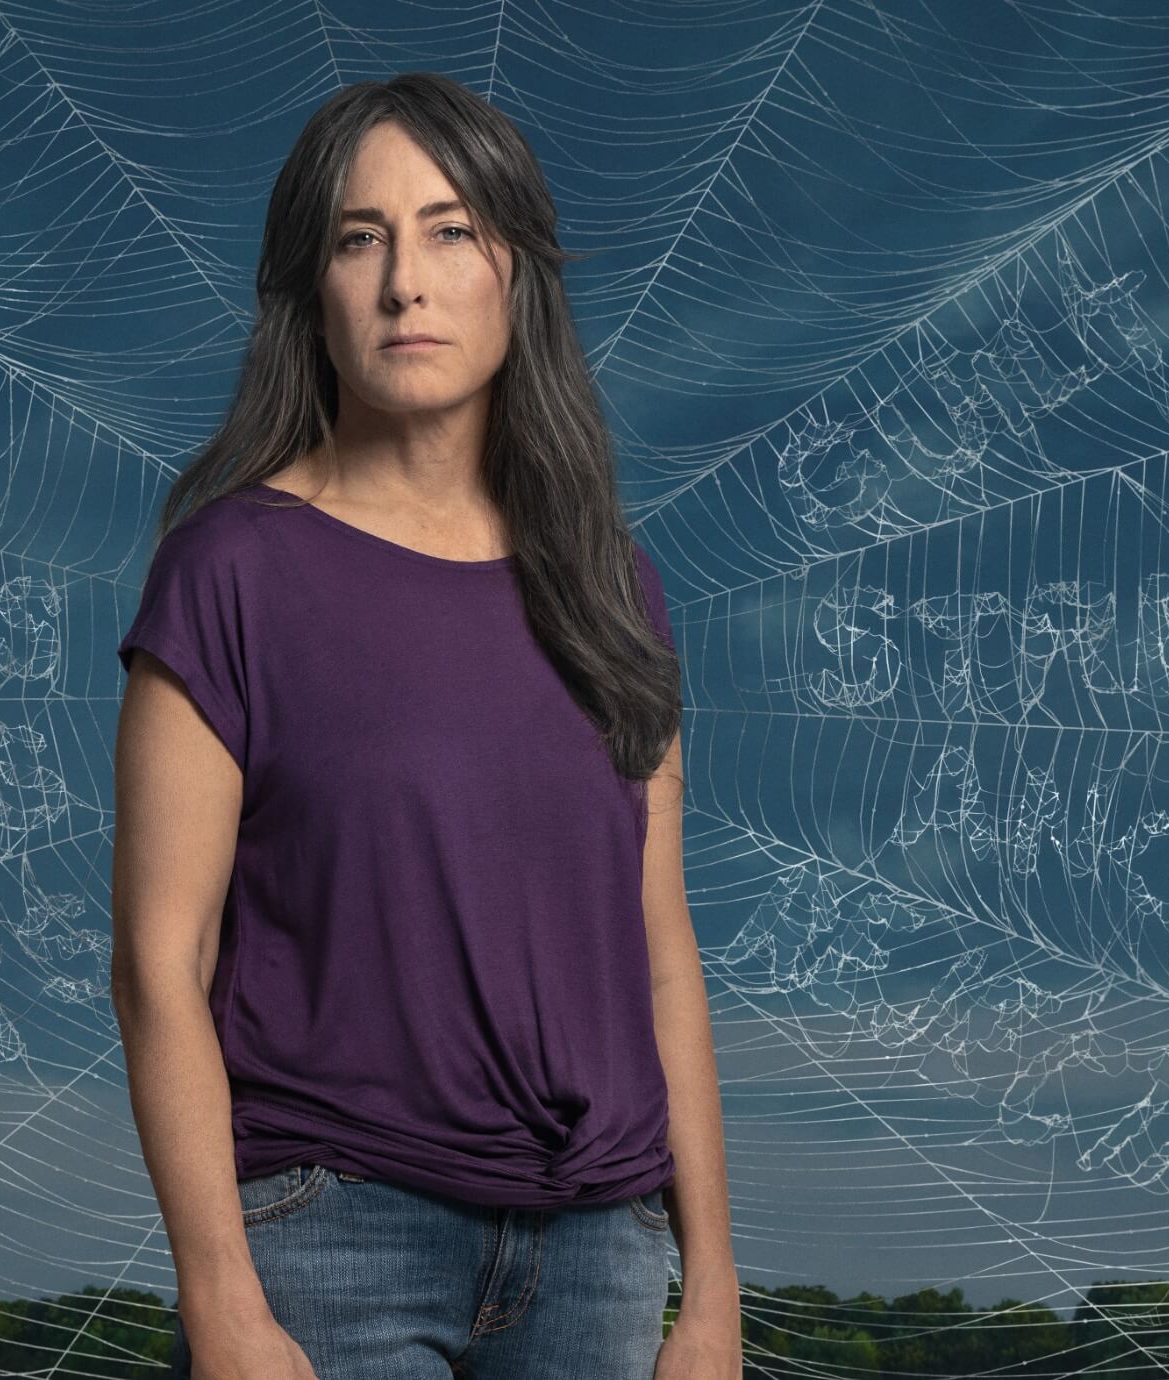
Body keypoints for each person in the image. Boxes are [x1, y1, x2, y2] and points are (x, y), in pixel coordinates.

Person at [108, 71, 740, 1380]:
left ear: (519, 272)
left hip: (601, 1254)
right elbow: (159, 962)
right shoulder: (232, 569)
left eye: (452, 230)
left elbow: (662, 956)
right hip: (328, 1239)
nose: (406, 280)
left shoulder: (619, 589)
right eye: (360, 237)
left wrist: (712, 1291)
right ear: (313, 290)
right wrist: (222, 1301)